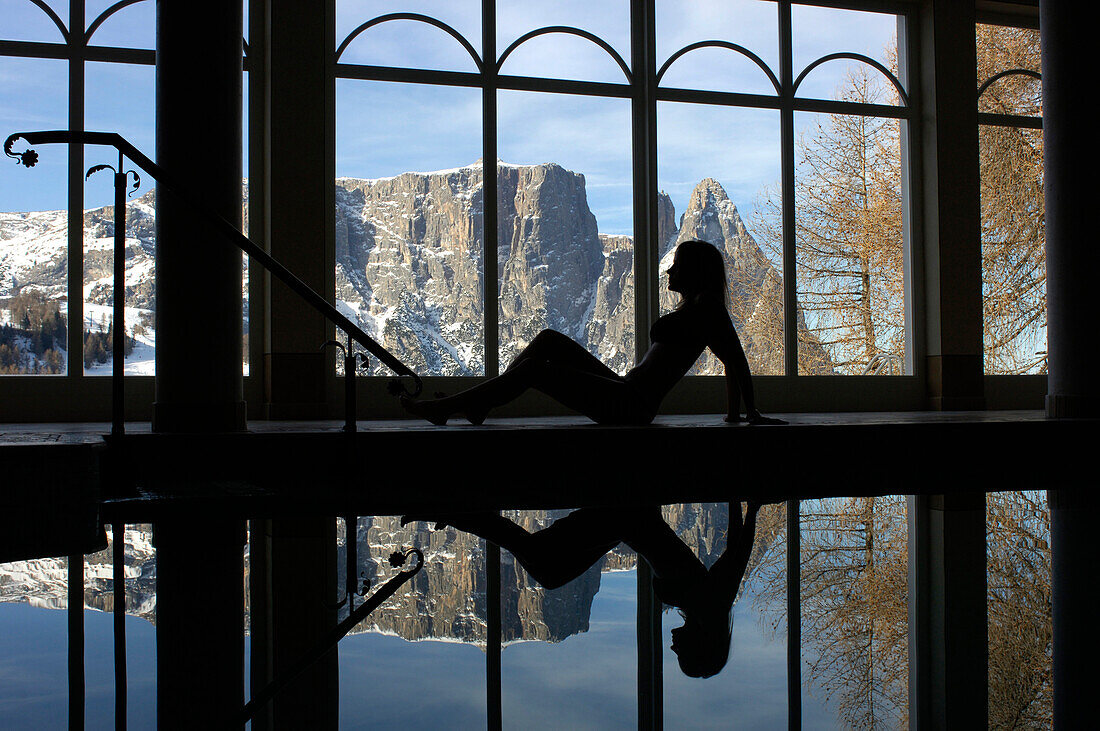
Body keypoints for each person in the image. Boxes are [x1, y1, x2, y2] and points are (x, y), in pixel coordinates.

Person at [401, 239, 783, 426]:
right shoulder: (696, 309)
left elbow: (736, 360)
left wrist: (746, 415)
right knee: (549, 339)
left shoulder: (707, 310)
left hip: (632, 406)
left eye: (677, 266)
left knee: (536, 369)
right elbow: (733, 361)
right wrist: (737, 416)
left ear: (695, 272)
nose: (669, 272)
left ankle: (446, 408)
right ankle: (479, 403)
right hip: (625, 391)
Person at [404, 501, 761, 678]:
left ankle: (461, 513)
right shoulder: (709, 604)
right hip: (625, 516)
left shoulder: (706, 604)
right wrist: (748, 502)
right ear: (702, 647)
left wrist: (743, 502)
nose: (672, 646)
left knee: (545, 566)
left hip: (627, 523)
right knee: (544, 566)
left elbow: (733, 553)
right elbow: (738, 552)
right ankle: (458, 512)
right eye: (681, 653)